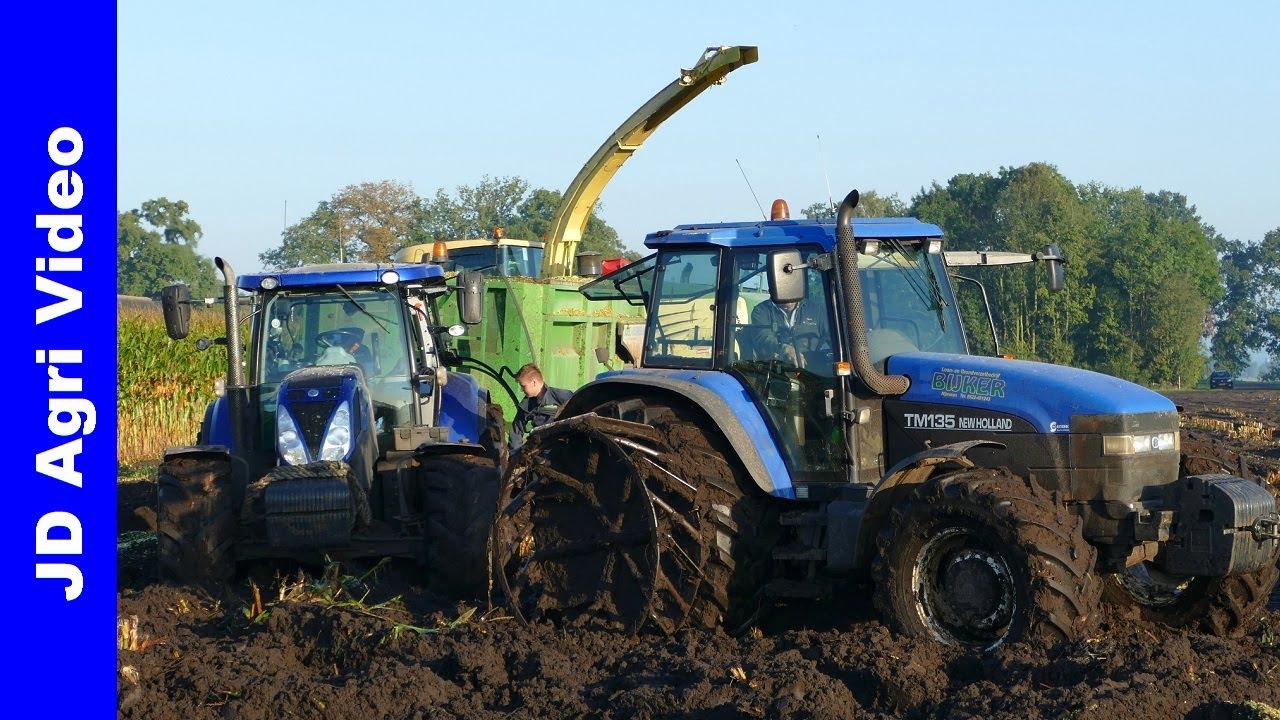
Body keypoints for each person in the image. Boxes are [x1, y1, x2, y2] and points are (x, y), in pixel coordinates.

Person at [747, 294, 830, 368]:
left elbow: (832, 337)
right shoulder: (761, 311)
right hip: (773, 370)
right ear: (772, 289)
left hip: (812, 371)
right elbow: (763, 337)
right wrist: (784, 349)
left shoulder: (817, 311)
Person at [509, 363, 574, 452]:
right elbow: (516, 431)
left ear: (534, 382)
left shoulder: (562, 396)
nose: (522, 390)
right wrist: (515, 456)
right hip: (540, 453)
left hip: (564, 450)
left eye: (523, 386)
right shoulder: (526, 405)